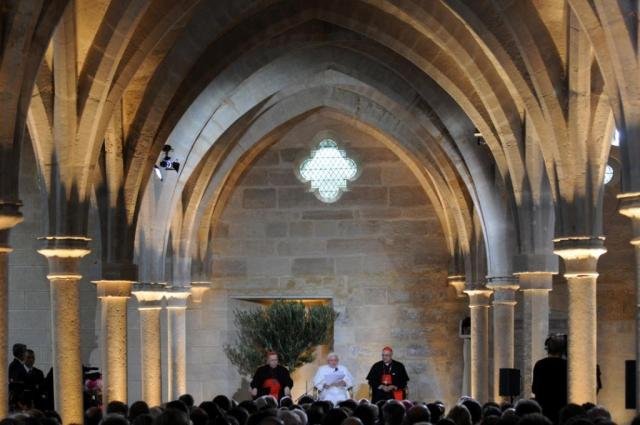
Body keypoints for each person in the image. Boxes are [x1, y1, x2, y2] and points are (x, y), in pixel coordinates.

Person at [532, 334, 567, 424]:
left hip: (543, 409)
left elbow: (535, 388)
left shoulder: (539, 364)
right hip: (562, 409)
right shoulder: (566, 366)